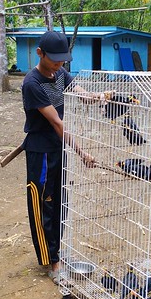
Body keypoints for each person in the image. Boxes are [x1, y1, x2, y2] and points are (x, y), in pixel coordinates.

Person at [21, 31, 97, 284]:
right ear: (39, 53)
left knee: (61, 200)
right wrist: (82, 151)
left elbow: (75, 87)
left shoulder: (60, 73)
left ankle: (57, 250)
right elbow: (57, 123)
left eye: (62, 60)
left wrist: (93, 96)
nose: (58, 64)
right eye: (54, 59)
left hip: (58, 148)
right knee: (44, 204)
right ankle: (52, 261)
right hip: (41, 151)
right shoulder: (32, 83)